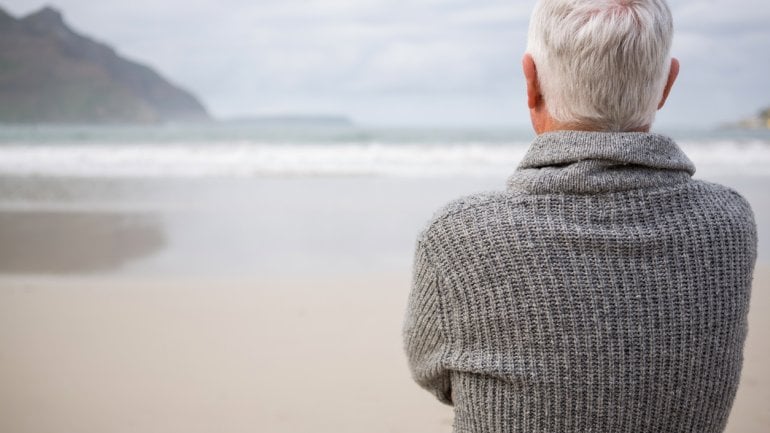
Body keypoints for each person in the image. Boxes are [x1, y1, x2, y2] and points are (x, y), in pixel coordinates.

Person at [402, 0, 758, 432]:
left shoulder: (461, 236)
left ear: (531, 83)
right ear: (666, 84)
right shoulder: (729, 221)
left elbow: (434, 375)